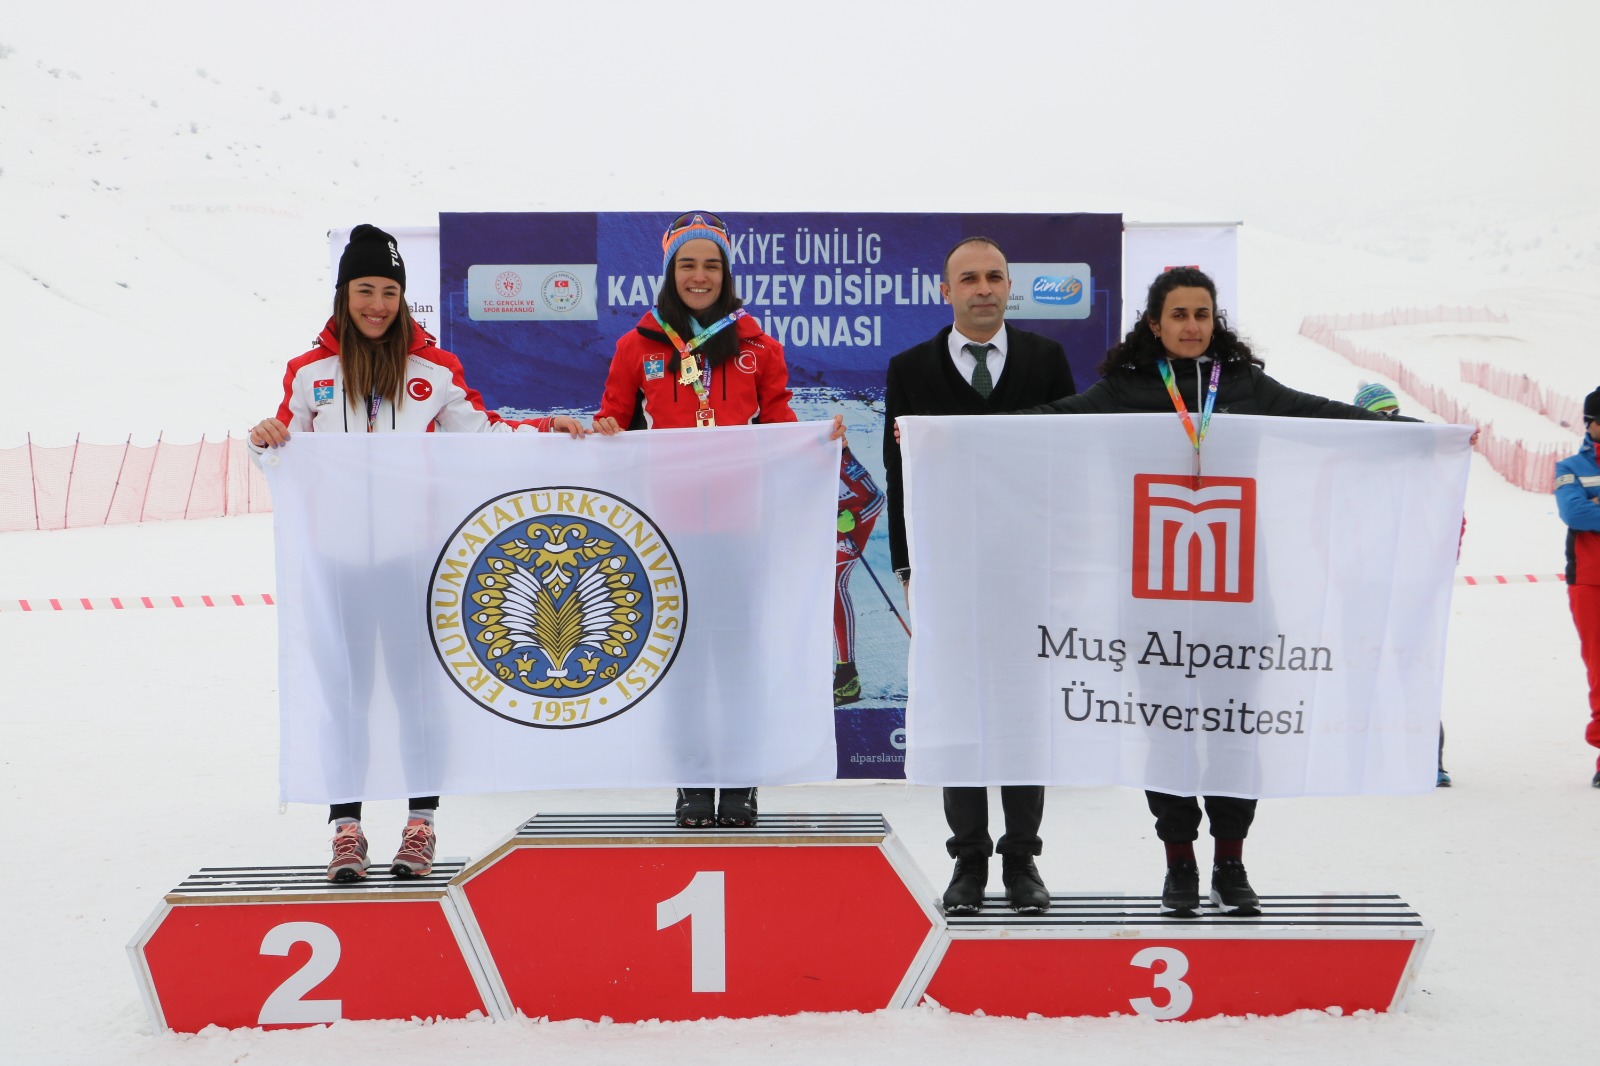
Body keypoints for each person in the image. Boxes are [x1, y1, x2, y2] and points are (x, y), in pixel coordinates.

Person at [1017, 266, 1412, 918]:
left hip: (1238, 592)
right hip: (1154, 595)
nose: (1192, 326)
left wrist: (1416, 433)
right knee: (1168, 731)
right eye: (1178, 314)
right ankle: (1179, 864)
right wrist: (945, 433)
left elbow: (1323, 417)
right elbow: (1047, 423)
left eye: (1202, 314)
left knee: (1233, 730)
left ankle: (1231, 863)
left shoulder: (1245, 385)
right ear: (1155, 324)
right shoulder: (1126, 389)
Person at [249, 224, 588, 882]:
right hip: (339, 563)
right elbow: (281, 447)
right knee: (347, 696)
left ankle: (420, 823)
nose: (377, 304)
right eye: (365, 290)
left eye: (389, 291)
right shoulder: (310, 373)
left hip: (413, 564)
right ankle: (346, 830)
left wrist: (547, 429)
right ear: (344, 294)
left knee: (415, 697)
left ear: (403, 297)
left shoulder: (433, 371)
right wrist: (264, 439)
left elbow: (484, 435)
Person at [592, 210, 845, 830]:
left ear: (727, 273)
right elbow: (614, 420)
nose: (699, 276)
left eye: (711, 264)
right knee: (681, 661)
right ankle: (691, 781)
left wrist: (818, 441)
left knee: (737, 660)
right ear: (670, 272)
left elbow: (780, 426)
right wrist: (598, 431)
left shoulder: (759, 348)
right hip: (666, 533)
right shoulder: (637, 346)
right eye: (687, 264)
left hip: (740, 530)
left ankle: (738, 781)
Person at [883, 235, 1077, 915]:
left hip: (1028, 570)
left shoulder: (1046, 361)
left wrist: (1067, 561)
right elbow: (900, 476)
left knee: (1023, 713)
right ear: (947, 291)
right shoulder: (910, 368)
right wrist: (906, 563)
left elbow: (1068, 465)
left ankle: (1022, 859)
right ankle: (968, 860)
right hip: (948, 571)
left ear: (1009, 287)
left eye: (994, 276)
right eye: (969, 278)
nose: (984, 288)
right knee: (959, 710)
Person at [1354, 381, 1454, 787]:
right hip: (1363, 587)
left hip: (1412, 585)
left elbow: (1451, 515)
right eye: (1381, 415)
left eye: (1394, 412)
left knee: (1414, 672)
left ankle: (1429, 760)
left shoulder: (1423, 464)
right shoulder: (1352, 465)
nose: (1391, 421)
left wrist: (1440, 560)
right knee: (1362, 673)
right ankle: (1364, 759)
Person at [1555, 386, 1600, 787]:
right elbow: (1575, 512)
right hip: (1590, 581)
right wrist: (1589, 507)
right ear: (1591, 424)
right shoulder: (1569, 466)